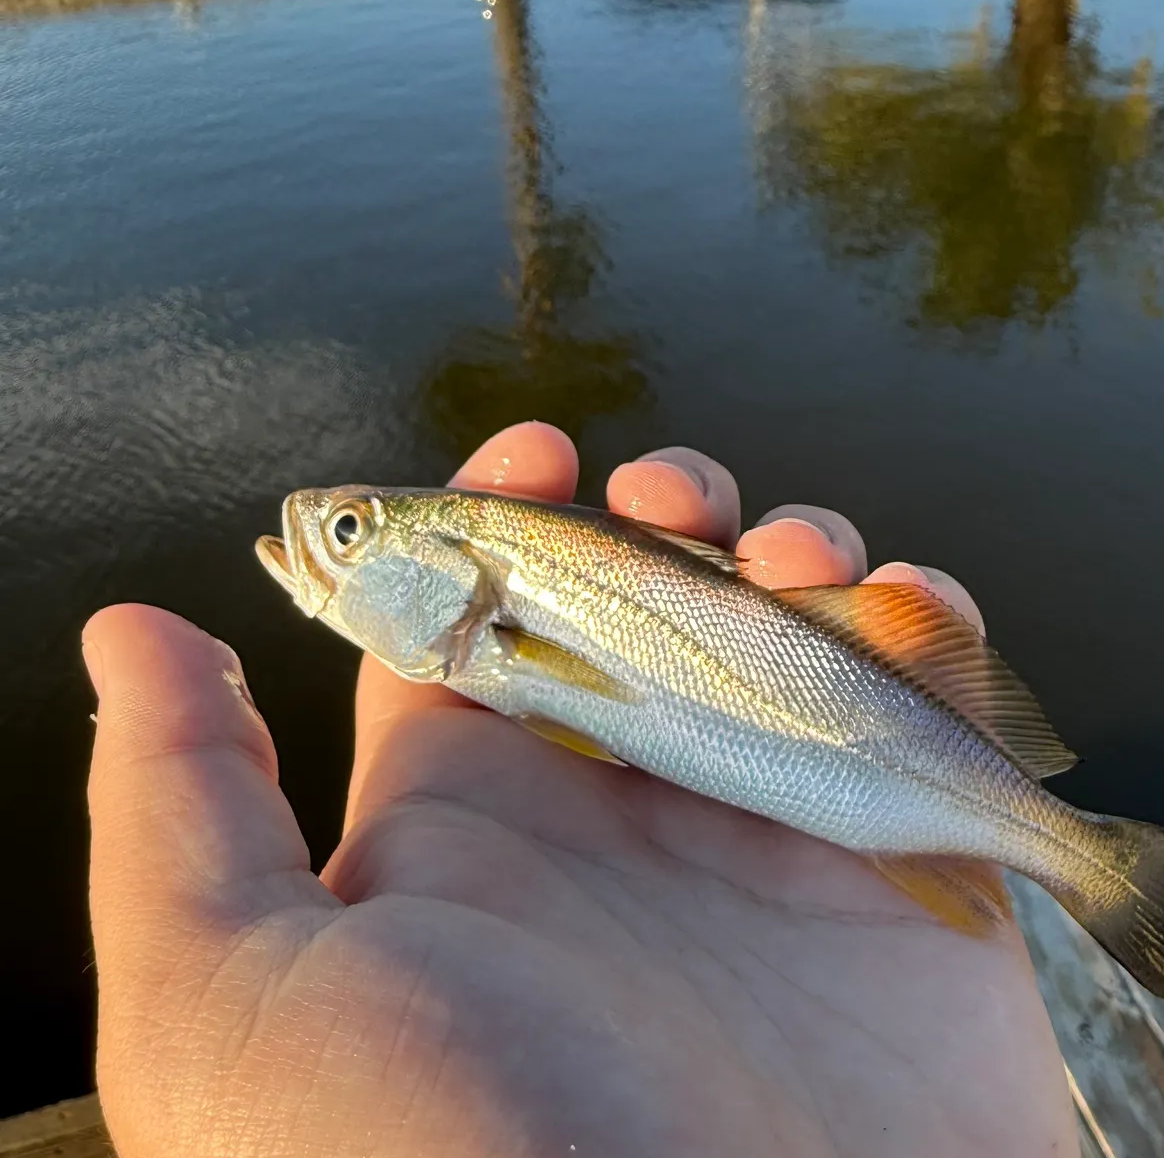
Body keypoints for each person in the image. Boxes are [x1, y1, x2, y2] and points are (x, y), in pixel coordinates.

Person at [84, 421, 1079, 1157]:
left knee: (820, 582)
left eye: (349, 532)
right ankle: (1067, 846)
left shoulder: (493, 641)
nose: (319, 541)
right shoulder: (480, 657)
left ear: (455, 575)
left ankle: (1076, 851)